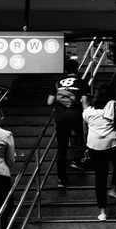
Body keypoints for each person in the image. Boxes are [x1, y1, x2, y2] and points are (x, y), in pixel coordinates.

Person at [82, 84, 116, 221]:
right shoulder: (114, 106)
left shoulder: (88, 111)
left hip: (94, 146)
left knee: (100, 178)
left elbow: (84, 131)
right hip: (112, 144)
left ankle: (102, 212)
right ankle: (113, 188)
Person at [47, 59, 90, 188]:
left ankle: (61, 180)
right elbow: (85, 102)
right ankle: (77, 160)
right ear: (77, 69)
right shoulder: (82, 82)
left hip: (60, 117)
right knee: (84, 138)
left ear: (65, 70)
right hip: (75, 115)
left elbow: (49, 101)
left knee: (61, 148)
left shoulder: (57, 82)